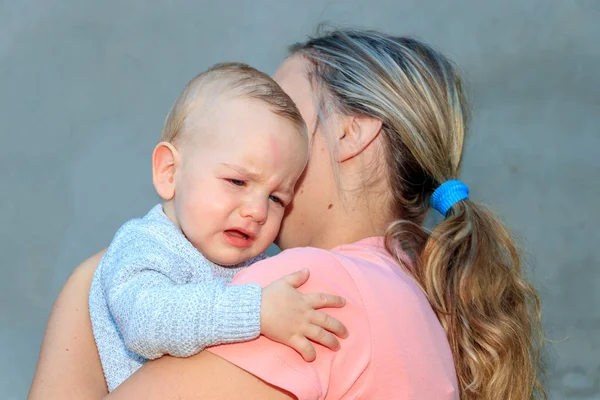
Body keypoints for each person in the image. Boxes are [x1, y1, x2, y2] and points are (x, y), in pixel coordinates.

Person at [29, 29, 545, 400]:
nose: (259, 134)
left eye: (285, 111)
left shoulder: (311, 287)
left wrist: (90, 282)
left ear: (350, 133)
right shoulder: (420, 291)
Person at [88, 62, 349, 392]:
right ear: (169, 173)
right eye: (237, 181)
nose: (256, 211)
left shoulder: (261, 267)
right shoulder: (145, 245)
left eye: (276, 199)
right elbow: (146, 322)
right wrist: (255, 310)